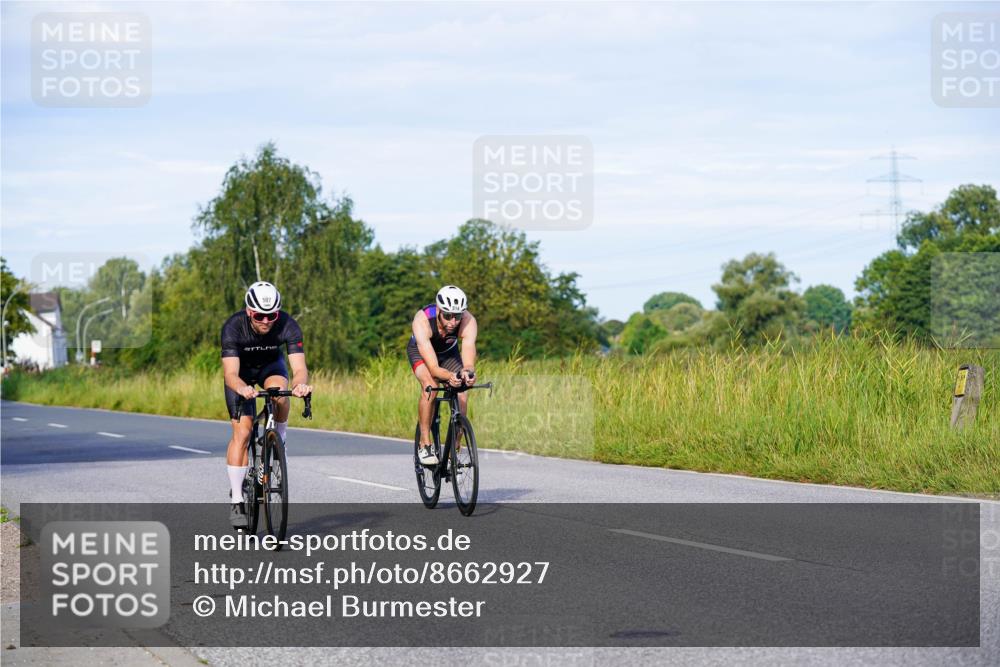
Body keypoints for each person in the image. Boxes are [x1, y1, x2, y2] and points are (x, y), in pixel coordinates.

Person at [221, 281, 312, 527]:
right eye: (260, 315)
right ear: (250, 312)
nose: (266, 321)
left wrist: (301, 385)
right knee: (243, 432)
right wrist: (242, 388)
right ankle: (238, 499)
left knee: (280, 392)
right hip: (241, 375)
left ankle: (279, 436)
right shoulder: (233, 327)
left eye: (271, 315)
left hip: (270, 368)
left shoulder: (287, 324)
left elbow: (300, 369)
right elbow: (230, 374)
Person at [407, 285, 478, 465]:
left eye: (457, 316)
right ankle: (425, 443)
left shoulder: (468, 320)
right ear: (439, 310)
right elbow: (433, 368)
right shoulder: (422, 321)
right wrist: (448, 377)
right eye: (447, 316)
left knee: (462, 391)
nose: (453, 321)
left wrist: (467, 372)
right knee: (430, 386)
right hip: (422, 352)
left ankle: (454, 446)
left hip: (448, 352)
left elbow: (468, 354)